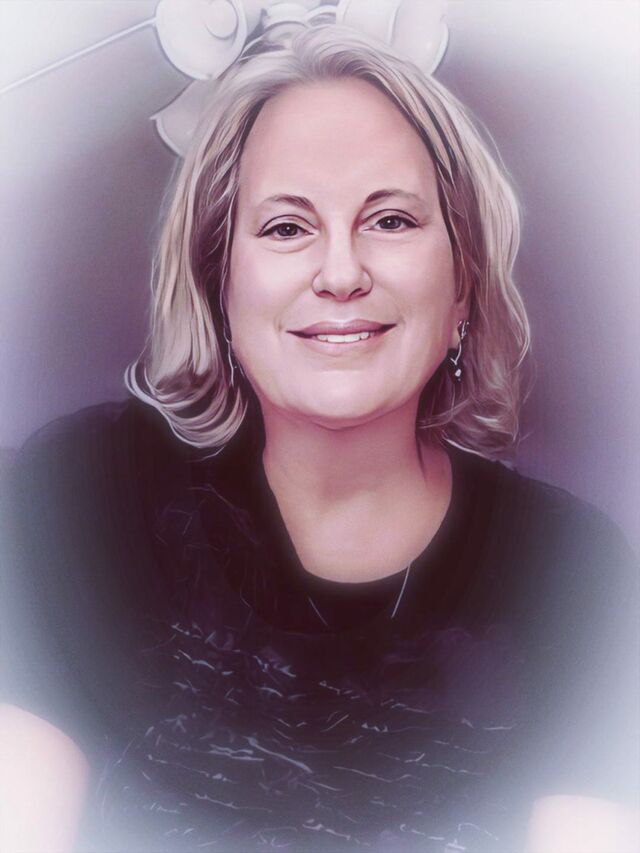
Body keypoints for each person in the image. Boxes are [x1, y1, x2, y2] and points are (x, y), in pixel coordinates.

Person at [1, 22, 638, 853]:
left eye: (392, 220)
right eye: (286, 228)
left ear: (463, 284)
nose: (341, 273)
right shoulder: (80, 499)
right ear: (218, 283)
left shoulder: (577, 575)